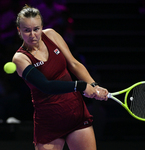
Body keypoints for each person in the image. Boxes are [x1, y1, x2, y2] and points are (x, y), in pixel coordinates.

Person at [12, 5, 108, 150]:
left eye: (36, 29)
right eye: (27, 30)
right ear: (19, 31)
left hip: (75, 113)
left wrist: (94, 86)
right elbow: (46, 86)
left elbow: (74, 64)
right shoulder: (20, 58)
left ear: (42, 26)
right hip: (49, 122)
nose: (33, 35)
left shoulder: (51, 35)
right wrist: (82, 86)